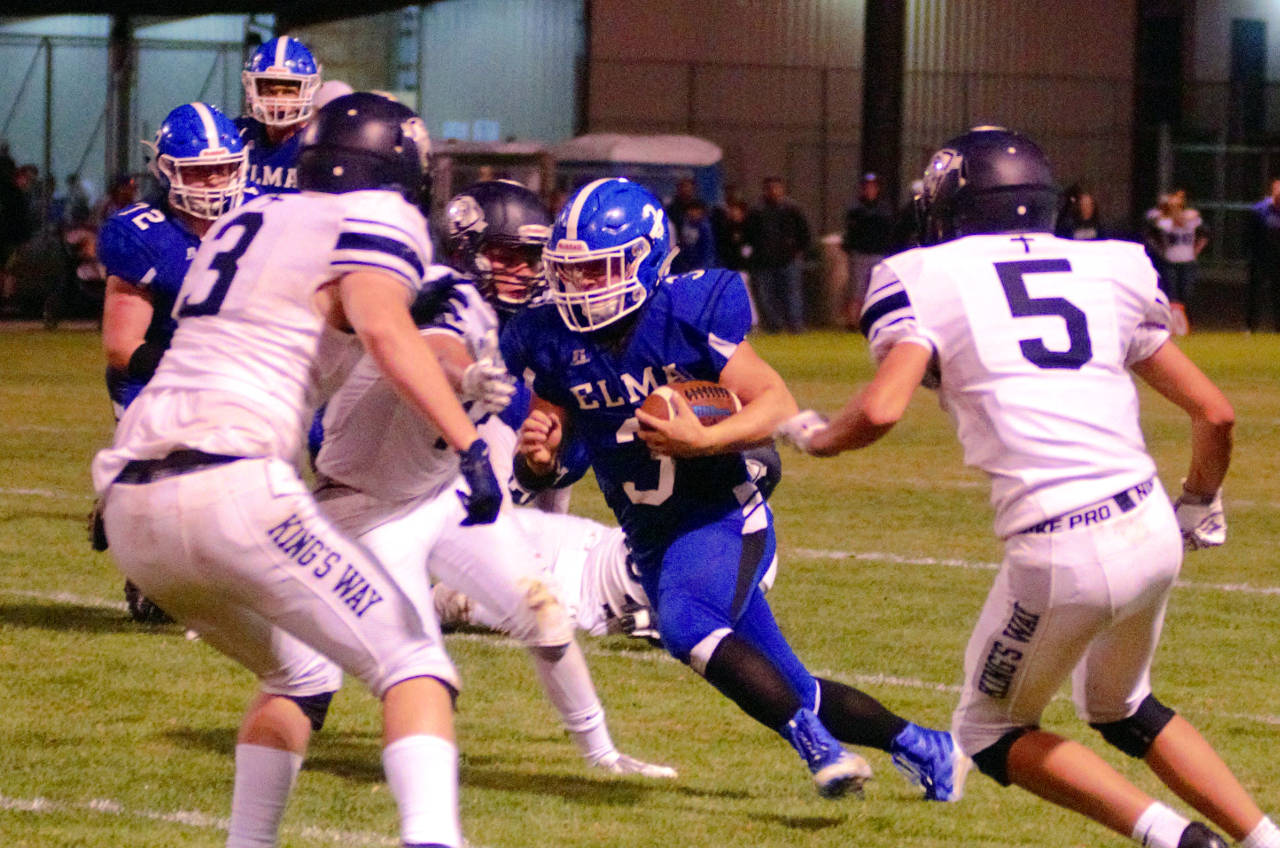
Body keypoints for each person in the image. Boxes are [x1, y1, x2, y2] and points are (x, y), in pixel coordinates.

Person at [776, 126, 1278, 848]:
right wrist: (1199, 500)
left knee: (985, 730)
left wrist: (820, 436)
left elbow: (883, 406)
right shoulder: (1109, 266)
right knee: (1121, 704)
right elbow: (1215, 412)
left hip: (1063, 545)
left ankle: (1178, 842)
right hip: (1150, 525)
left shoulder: (922, 275)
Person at [92, 92, 502, 848]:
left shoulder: (244, 221)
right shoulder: (378, 218)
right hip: (233, 480)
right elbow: (378, 325)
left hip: (131, 495)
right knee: (414, 663)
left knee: (301, 677)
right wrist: (470, 443)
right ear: (402, 166)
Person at [502, 176, 968, 801]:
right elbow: (558, 464)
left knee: (685, 625)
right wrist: (537, 455)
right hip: (651, 533)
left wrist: (703, 442)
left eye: (599, 270)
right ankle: (925, 745)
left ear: (643, 259)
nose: (582, 287)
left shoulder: (686, 310)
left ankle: (819, 751)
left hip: (724, 511)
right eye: (573, 272)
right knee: (793, 683)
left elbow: (775, 401)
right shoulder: (552, 341)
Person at [310, 178, 675, 780]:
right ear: (467, 243)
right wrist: (469, 381)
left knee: (545, 611)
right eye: (507, 255)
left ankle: (603, 754)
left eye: (533, 258)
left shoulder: (524, 319)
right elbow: (439, 348)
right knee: (406, 669)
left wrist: (543, 447)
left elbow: (553, 425)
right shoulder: (437, 288)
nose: (524, 271)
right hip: (366, 505)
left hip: (438, 492)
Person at [93, 101, 251, 623]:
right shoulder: (142, 232)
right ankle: (139, 540)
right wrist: (196, 373)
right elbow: (121, 346)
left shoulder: (263, 213)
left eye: (223, 167)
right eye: (198, 170)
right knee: (168, 491)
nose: (213, 181)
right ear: (167, 171)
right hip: (155, 378)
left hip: (241, 373)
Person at [237, 35, 322, 193]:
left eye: (288, 92)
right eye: (269, 91)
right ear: (252, 88)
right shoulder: (238, 135)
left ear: (308, 90)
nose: (278, 100)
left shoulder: (321, 144)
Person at [745, 176, 810, 332]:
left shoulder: (792, 209)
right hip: (763, 260)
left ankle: (795, 324)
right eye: (770, 188)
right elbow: (749, 234)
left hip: (788, 259)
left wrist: (798, 250)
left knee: (792, 294)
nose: (773, 191)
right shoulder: (757, 211)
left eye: (776, 188)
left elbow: (804, 232)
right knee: (766, 296)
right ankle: (774, 325)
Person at [1146, 188, 1207, 335]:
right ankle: (1172, 324)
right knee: (1171, 295)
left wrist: (1196, 251)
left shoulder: (1191, 219)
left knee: (1187, 293)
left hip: (1187, 261)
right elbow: (1153, 226)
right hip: (1171, 261)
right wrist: (1161, 251)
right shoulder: (1164, 221)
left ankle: (1185, 323)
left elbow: (1203, 233)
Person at [841, 172, 896, 327]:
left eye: (872, 187)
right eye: (867, 187)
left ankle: (875, 321)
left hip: (879, 252)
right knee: (856, 290)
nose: (870, 190)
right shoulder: (856, 208)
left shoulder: (884, 208)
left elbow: (888, 229)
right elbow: (851, 231)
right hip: (860, 253)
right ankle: (853, 321)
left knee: (877, 289)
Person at [1245, 177, 1280, 333]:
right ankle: (1251, 327)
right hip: (1261, 258)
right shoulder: (1259, 210)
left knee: (1277, 293)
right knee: (1255, 293)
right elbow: (1250, 234)